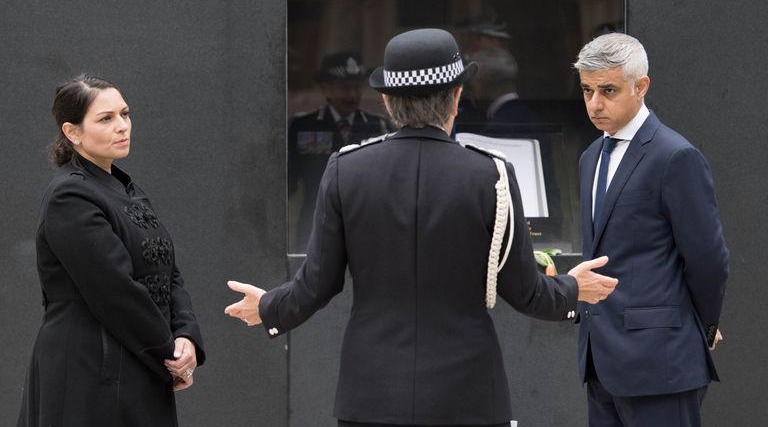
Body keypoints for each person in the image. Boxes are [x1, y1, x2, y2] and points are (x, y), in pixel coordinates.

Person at [225, 28, 617, 427]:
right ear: (457, 96)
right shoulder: (491, 173)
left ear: (387, 102)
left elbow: (316, 285)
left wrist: (267, 307)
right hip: (467, 394)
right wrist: (573, 288)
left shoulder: (346, 169)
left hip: (371, 395)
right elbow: (525, 292)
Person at [17, 75, 205, 426]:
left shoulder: (126, 189)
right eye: (106, 118)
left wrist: (187, 338)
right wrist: (169, 356)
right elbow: (115, 291)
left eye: (125, 114)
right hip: (89, 373)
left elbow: (168, 273)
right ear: (72, 132)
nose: (122, 126)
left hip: (136, 362)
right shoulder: (70, 196)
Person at [574, 33, 728, 426]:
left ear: (641, 86)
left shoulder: (675, 156)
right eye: (587, 90)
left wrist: (705, 326)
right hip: (598, 361)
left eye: (608, 90)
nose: (595, 103)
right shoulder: (591, 157)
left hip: (661, 364)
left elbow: (707, 259)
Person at [288, 50, 392, 251]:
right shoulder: (303, 126)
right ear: (326, 90)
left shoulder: (378, 126)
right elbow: (288, 183)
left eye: (356, 88)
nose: (352, 95)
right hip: (315, 222)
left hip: (365, 223)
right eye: (345, 88)